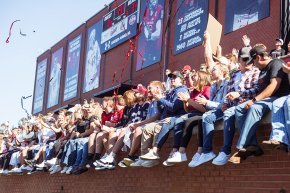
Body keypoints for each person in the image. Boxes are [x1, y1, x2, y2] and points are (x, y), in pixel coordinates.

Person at [234, 45, 290, 160]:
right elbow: (260, 90)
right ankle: (252, 145)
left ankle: (242, 146)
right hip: (266, 99)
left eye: (253, 61)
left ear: (258, 58)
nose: (253, 65)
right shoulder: (261, 71)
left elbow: (274, 85)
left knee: (254, 107)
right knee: (239, 108)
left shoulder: (276, 63)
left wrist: (255, 100)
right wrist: (250, 99)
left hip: (278, 97)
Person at [140, 0, 163, 68]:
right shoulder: (146, 12)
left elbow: (158, 33)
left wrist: (151, 36)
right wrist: (148, 35)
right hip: (148, 43)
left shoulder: (159, 9)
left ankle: (153, 55)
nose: (153, 2)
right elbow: (145, 28)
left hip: (156, 44)